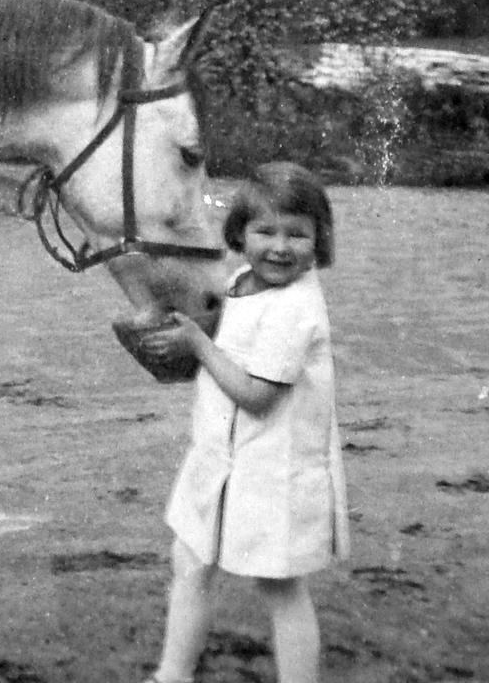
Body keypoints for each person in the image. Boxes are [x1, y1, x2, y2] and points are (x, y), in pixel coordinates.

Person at [141, 161, 350, 683]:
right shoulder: (237, 283)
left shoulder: (296, 309)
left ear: (319, 240)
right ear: (238, 234)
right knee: (189, 561)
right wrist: (179, 338)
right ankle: (172, 674)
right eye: (265, 231)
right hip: (218, 460)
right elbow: (220, 351)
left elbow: (257, 396)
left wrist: (197, 343)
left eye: (297, 235)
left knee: (280, 586)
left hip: (275, 471)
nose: (280, 247)